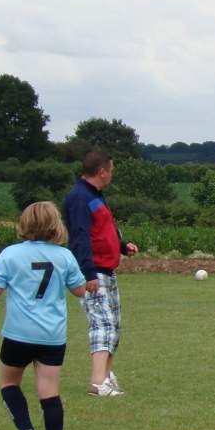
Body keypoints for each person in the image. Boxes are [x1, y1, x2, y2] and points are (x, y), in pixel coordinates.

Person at [0, 202, 87, 430]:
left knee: (9, 383)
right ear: (55, 225)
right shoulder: (64, 256)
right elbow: (79, 290)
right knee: (50, 391)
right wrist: (88, 284)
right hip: (52, 336)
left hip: (17, 334)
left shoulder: (10, 254)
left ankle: (25, 429)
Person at [62, 151, 138, 397]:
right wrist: (88, 273)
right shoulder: (79, 198)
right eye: (111, 170)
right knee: (102, 323)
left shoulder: (96, 196)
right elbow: (80, 238)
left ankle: (106, 376)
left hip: (107, 270)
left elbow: (104, 230)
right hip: (93, 272)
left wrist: (122, 245)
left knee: (114, 325)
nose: (112, 175)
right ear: (102, 171)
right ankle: (97, 383)